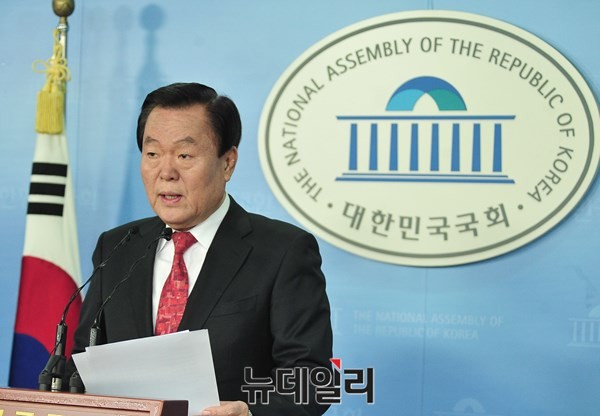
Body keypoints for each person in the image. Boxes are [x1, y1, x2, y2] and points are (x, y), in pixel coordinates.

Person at [68, 82, 333, 416]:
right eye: (152, 154)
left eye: (184, 155)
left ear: (228, 163)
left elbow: (312, 382)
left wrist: (250, 411)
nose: (166, 173)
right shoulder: (118, 247)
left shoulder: (282, 251)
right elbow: (80, 366)